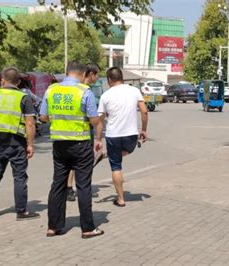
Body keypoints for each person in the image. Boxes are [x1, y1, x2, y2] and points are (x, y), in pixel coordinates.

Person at [40, 61, 104, 238]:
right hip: (80, 143)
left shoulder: (51, 90)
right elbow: (93, 120)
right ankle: (88, 228)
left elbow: (43, 117)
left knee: (58, 185)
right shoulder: (85, 92)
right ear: (83, 74)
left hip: (59, 144)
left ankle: (53, 227)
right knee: (83, 186)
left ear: (66, 72)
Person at [0, 67, 40, 220]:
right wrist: (30, 144)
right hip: (17, 144)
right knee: (19, 177)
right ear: (18, 82)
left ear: (2, 80)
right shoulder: (23, 98)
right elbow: (30, 124)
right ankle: (21, 211)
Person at [97, 67, 148, 207]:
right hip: (131, 134)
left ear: (109, 80)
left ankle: (120, 199)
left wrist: (98, 139)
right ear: (122, 77)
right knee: (129, 150)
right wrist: (143, 129)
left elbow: (100, 120)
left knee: (116, 166)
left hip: (113, 135)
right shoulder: (134, 91)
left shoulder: (105, 96)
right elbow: (144, 111)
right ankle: (112, 154)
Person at [66, 63, 102, 202]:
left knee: (72, 163)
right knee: (79, 163)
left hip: (71, 130)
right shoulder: (84, 90)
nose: (98, 78)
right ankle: (74, 189)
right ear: (91, 74)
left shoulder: (80, 88)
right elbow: (93, 118)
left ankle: (71, 188)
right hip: (81, 132)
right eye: (97, 74)